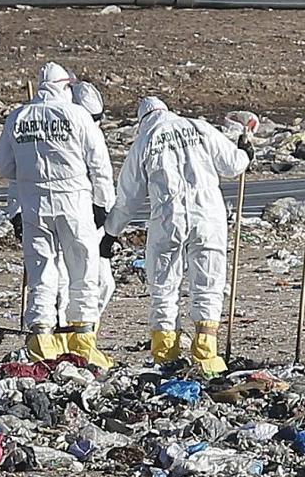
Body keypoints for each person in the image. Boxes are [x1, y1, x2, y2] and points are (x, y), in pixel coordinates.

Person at [102, 97, 252, 374]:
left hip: (168, 219)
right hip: (208, 216)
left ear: (142, 120)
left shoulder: (144, 141)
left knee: (163, 287)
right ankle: (207, 353)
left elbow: (128, 198)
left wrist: (111, 232)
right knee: (208, 282)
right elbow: (233, 165)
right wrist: (245, 151)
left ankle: (166, 353)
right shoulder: (198, 127)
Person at [0, 62, 115, 367]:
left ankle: (41, 347)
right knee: (83, 273)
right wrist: (103, 205)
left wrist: (29, 178)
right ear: (65, 86)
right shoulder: (76, 115)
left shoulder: (18, 117)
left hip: (35, 206)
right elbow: (99, 165)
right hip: (74, 204)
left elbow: (4, 168)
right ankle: (83, 345)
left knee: (42, 274)